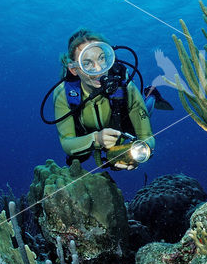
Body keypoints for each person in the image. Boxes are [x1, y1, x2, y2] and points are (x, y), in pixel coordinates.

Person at [52, 28, 164, 170]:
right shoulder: (62, 94)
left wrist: (140, 151)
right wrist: (96, 140)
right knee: (77, 157)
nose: (99, 69)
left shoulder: (126, 87)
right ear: (74, 69)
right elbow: (66, 143)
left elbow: (147, 137)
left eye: (102, 58)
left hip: (122, 126)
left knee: (146, 111)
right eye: (87, 63)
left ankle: (152, 94)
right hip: (88, 134)